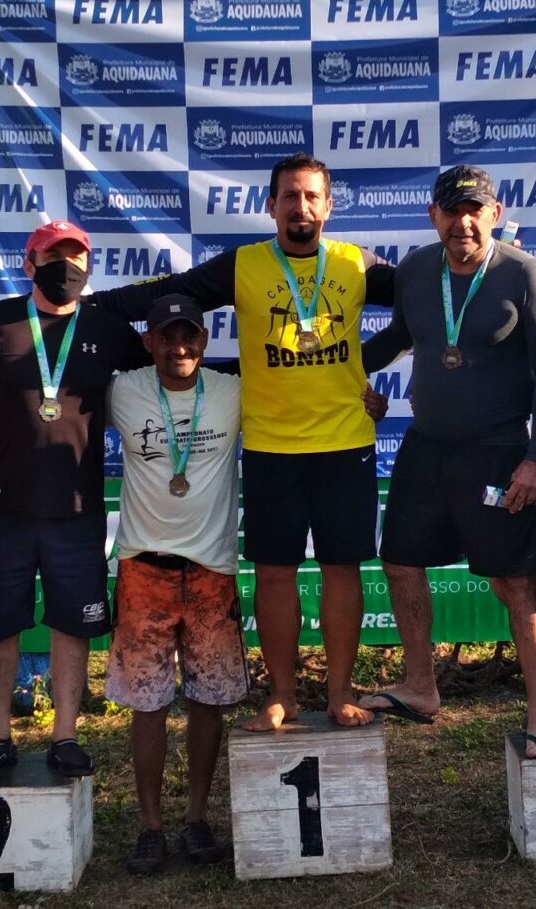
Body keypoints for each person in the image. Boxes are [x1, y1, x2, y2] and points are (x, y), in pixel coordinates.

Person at [101, 153, 395, 731]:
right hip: (271, 446)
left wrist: (367, 366)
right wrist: (87, 308)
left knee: (342, 571)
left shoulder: (356, 263)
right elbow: (171, 290)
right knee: (275, 573)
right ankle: (281, 696)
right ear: (271, 205)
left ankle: (339, 694)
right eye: (289, 196)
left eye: (312, 196)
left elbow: (418, 306)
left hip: (345, 442)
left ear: (329, 206)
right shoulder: (245, 265)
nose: (301, 207)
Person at [360, 165, 536, 757]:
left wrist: (535, 461)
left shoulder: (525, 275)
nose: (464, 221)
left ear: (494, 215)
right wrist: (339, 363)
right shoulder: (418, 270)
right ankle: (422, 686)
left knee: (513, 583)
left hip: (500, 452)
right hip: (426, 446)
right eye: (452, 210)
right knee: (399, 561)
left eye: (475, 210)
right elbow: (401, 334)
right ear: (434, 217)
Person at [0, 221, 149, 777]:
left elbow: (162, 385)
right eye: (54, 256)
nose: (66, 267)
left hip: (76, 508)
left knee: (72, 624)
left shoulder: (106, 326)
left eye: (76, 258)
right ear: (29, 263)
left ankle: (65, 736)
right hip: (4, 505)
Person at [104, 294, 246, 874]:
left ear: (205, 342)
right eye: (167, 336)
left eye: (189, 336)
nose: (179, 347)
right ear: (148, 342)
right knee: (148, 706)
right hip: (144, 572)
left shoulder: (234, 391)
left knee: (209, 704)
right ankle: (150, 826)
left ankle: (196, 818)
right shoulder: (122, 390)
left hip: (211, 574)